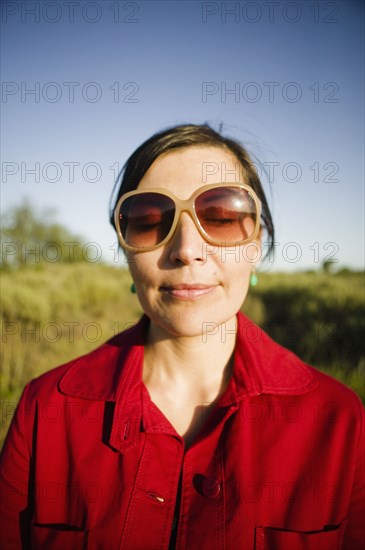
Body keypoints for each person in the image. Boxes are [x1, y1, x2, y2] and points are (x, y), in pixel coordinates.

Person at [0, 124, 364, 550]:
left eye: (222, 216)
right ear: (126, 249)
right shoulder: (46, 410)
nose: (187, 248)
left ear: (255, 242)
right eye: (150, 220)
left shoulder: (338, 422)